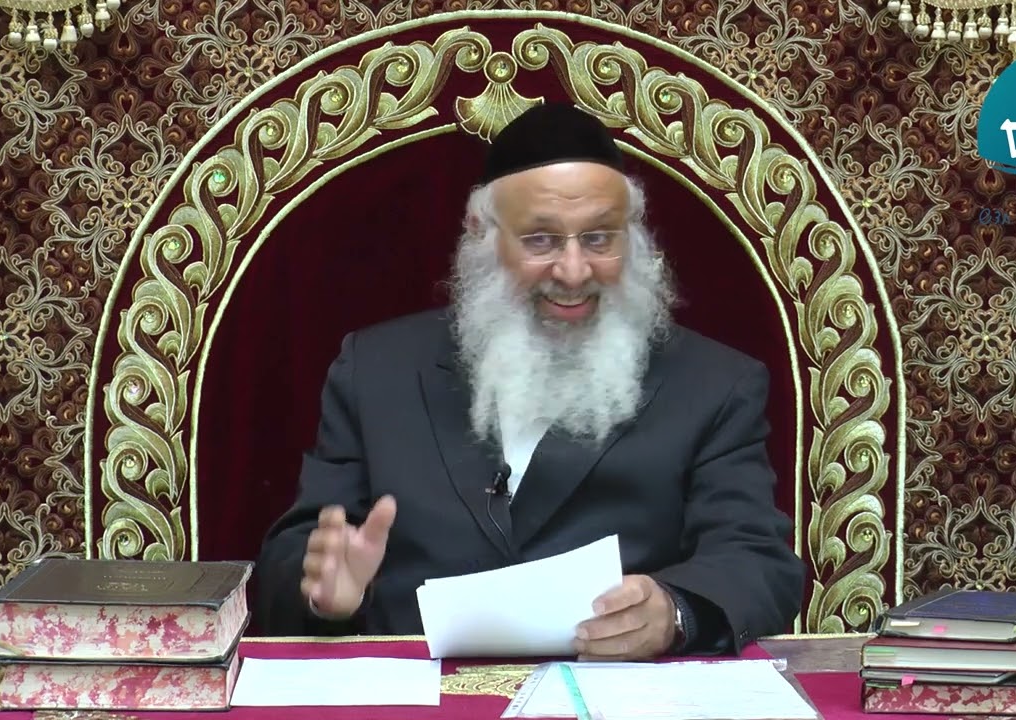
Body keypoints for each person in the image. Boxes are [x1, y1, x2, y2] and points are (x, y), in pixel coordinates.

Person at [254, 102, 805, 661]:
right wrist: (327, 592)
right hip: (415, 689)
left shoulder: (716, 384)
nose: (573, 271)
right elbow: (291, 558)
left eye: (599, 239)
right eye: (541, 240)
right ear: (484, 236)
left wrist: (674, 612)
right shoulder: (376, 369)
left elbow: (757, 562)